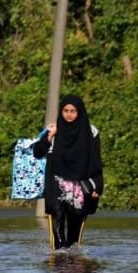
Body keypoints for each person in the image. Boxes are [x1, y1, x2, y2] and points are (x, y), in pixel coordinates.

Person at [33, 95, 103, 250]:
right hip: (56, 185)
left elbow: (96, 161)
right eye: (65, 111)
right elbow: (37, 152)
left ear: (80, 112)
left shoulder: (91, 132)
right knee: (57, 233)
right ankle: (56, 267)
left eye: (73, 111)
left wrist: (98, 186)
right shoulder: (53, 129)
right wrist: (50, 136)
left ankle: (75, 268)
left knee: (74, 236)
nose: (69, 114)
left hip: (80, 187)